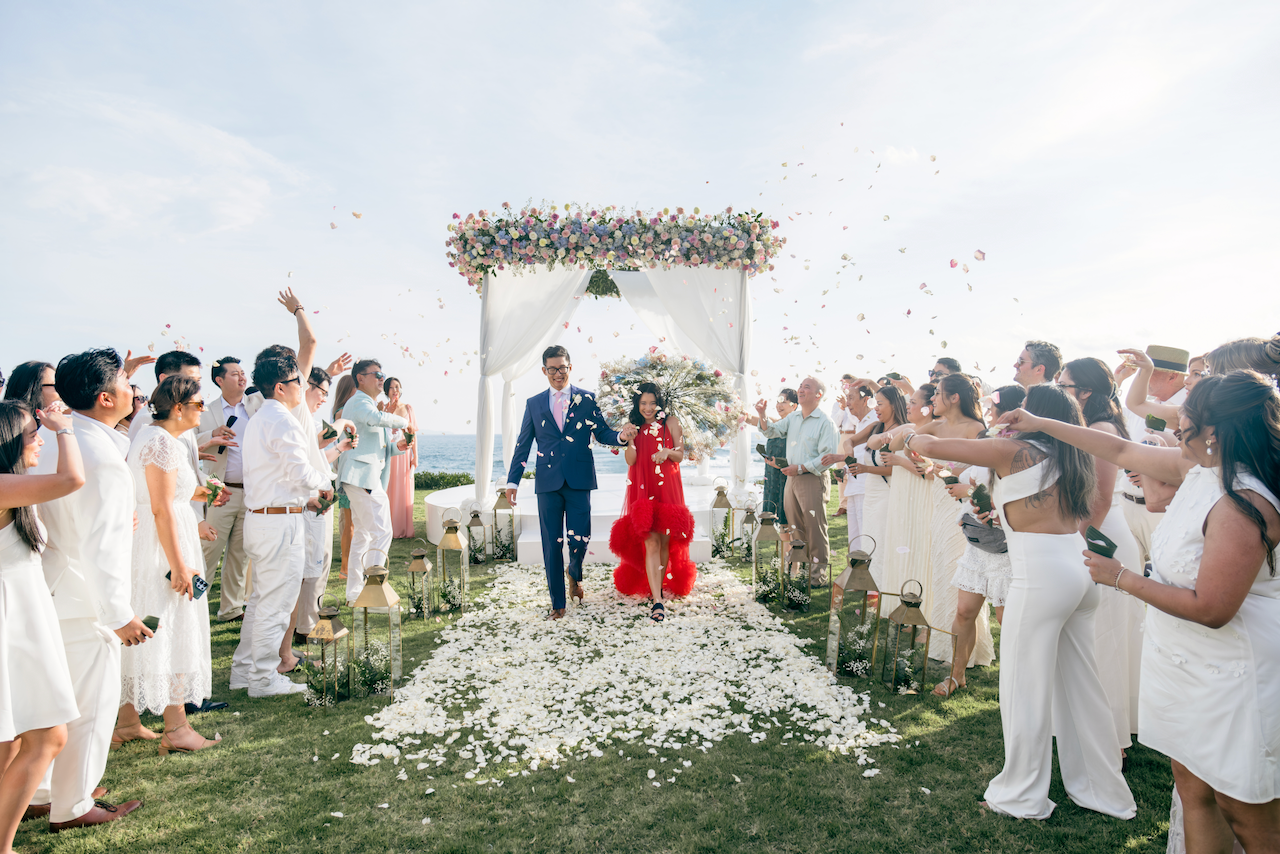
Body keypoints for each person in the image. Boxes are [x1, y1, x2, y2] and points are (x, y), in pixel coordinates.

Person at [1004, 370, 1280, 849]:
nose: (1175, 430)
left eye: (1183, 422)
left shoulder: (1243, 501)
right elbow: (1121, 451)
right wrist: (1039, 423)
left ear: (1211, 433)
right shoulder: (1202, 470)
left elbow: (1213, 608)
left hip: (1233, 671)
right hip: (1187, 660)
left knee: (1245, 811)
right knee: (1193, 788)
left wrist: (1121, 577)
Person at [909, 384, 1135, 821]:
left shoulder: (1016, 453)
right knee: (1081, 686)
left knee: (1023, 687)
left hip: (1040, 576)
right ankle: (1102, 789)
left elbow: (932, 446)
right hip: (1078, 569)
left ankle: (1021, 794)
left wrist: (910, 435)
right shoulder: (1075, 455)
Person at [30, 349, 150, 831]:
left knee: (52, 705)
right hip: (83, 601)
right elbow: (103, 547)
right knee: (90, 706)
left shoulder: (50, 437)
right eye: (125, 379)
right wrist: (119, 615)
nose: (132, 387)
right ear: (105, 398)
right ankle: (73, 805)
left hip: (45, 591)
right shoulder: (101, 457)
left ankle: (42, 792)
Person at [113, 377, 221, 754]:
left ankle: (127, 721)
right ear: (178, 407)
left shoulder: (150, 438)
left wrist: (205, 491)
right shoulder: (161, 442)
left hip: (155, 541)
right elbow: (160, 508)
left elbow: (167, 493)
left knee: (148, 619)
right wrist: (179, 565)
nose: (203, 409)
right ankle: (176, 727)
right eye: (198, 403)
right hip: (165, 546)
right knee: (171, 624)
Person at [0, 402, 84, 846]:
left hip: (24, 618)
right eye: (34, 433)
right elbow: (72, 479)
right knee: (47, 736)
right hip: (9, 623)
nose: (41, 439)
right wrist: (65, 429)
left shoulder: (18, 488)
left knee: (14, 744)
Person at [505, 346, 637, 620]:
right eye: (552, 369)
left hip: (579, 480)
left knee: (580, 538)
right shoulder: (534, 403)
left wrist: (622, 437)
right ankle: (558, 603)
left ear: (570, 367)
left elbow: (602, 433)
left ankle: (574, 573)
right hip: (547, 482)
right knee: (551, 543)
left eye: (562, 368)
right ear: (544, 371)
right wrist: (513, 482)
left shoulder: (587, 399)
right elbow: (523, 444)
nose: (557, 373)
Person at [229, 353, 332, 697]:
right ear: (280, 387)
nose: (303, 387)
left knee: (261, 601)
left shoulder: (261, 418)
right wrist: (325, 480)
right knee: (276, 604)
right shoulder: (282, 420)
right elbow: (300, 472)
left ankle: (244, 671)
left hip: (264, 519)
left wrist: (306, 494)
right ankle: (262, 678)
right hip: (279, 523)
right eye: (298, 382)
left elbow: (278, 475)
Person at [1059, 356, 1144, 754]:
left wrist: (1072, 543)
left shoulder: (1102, 428)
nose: (1060, 392)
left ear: (1086, 391)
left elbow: (1101, 499)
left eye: (1065, 386)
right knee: (1093, 636)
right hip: (1089, 534)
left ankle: (1112, 742)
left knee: (1104, 638)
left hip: (1100, 540)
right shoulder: (1087, 426)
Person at [934, 384, 1025, 696]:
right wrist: (950, 475)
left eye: (993, 408)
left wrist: (969, 492)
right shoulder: (987, 440)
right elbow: (967, 474)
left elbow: (1017, 496)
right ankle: (957, 674)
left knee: (1007, 619)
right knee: (963, 612)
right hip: (977, 545)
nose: (989, 413)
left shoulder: (1023, 450)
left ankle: (1017, 685)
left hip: (1006, 548)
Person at [609, 382, 694, 620]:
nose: (648, 408)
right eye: (643, 403)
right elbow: (630, 460)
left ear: (660, 403)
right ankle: (657, 601)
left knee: (664, 542)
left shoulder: (671, 422)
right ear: (637, 403)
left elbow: (680, 454)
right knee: (651, 542)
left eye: (652, 403)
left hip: (667, 485)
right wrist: (630, 439)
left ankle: (658, 587)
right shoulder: (633, 426)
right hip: (642, 486)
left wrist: (667, 452)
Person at [287, 368, 354, 647]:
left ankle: (308, 621)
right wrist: (343, 422)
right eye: (322, 392)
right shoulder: (299, 419)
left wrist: (341, 448)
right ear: (306, 386)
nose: (324, 398)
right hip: (308, 500)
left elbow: (319, 456)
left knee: (322, 560)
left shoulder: (310, 419)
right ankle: (308, 625)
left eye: (327, 393)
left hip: (320, 497)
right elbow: (318, 441)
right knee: (312, 562)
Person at [335, 358, 409, 604]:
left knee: (364, 535)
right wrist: (404, 421)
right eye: (376, 374)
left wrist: (397, 447)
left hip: (361, 475)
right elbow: (376, 419)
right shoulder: (359, 402)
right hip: (362, 476)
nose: (381, 378)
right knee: (382, 530)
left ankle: (354, 593)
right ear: (360, 378)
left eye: (382, 373)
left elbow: (375, 441)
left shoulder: (364, 404)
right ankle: (374, 588)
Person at [755, 377, 839, 587]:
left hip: (811, 478)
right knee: (795, 527)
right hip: (791, 479)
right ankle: (799, 572)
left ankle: (817, 578)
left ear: (818, 395)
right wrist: (762, 415)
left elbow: (826, 457)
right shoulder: (793, 419)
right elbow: (771, 431)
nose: (800, 389)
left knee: (815, 528)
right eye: (800, 386)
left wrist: (800, 468)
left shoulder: (825, 422)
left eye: (806, 387)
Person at [199, 355, 261, 623]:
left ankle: (231, 609)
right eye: (235, 373)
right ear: (219, 380)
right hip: (219, 493)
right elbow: (189, 442)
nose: (242, 377)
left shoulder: (255, 407)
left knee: (240, 554)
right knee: (208, 551)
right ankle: (194, 606)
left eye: (243, 372)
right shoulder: (206, 411)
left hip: (251, 493)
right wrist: (212, 435)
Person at [1117, 346, 1190, 564]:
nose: (1142, 376)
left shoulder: (1189, 409)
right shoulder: (1139, 405)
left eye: (1149, 370)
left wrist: (1153, 473)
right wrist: (1118, 381)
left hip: (1163, 510)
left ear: (1172, 375)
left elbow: (1193, 461)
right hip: (1126, 504)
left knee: (1163, 573)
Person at [743, 388, 797, 540]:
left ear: (794, 406)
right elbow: (752, 419)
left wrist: (779, 464)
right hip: (773, 474)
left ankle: (792, 554)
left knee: (787, 516)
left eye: (784, 402)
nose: (779, 405)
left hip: (786, 473)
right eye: (778, 401)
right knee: (778, 518)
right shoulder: (776, 423)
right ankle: (784, 555)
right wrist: (734, 410)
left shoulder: (795, 426)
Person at [330, 375, 358, 582]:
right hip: (348, 473)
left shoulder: (342, 413)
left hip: (351, 472)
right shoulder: (343, 414)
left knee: (351, 522)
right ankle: (346, 567)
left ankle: (350, 565)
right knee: (348, 522)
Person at [382, 376, 417, 538]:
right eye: (391, 387)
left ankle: (402, 528)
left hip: (403, 454)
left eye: (397, 387)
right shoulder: (382, 409)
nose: (395, 390)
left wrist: (415, 456)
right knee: (388, 489)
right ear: (386, 391)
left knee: (403, 489)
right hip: (388, 452)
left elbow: (413, 434)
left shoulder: (408, 408)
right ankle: (387, 527)